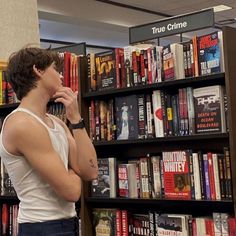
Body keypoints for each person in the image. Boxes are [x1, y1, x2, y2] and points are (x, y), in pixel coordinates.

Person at [0, 46, 98, 236]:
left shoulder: (56, 122)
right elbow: (71, 192)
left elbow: (91, 171)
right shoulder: (21, 123)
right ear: (38, 70)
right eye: (55, 69)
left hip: (67, 223)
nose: (61, 76)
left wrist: (76, 119)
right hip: (42, 227)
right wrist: (73, 166)